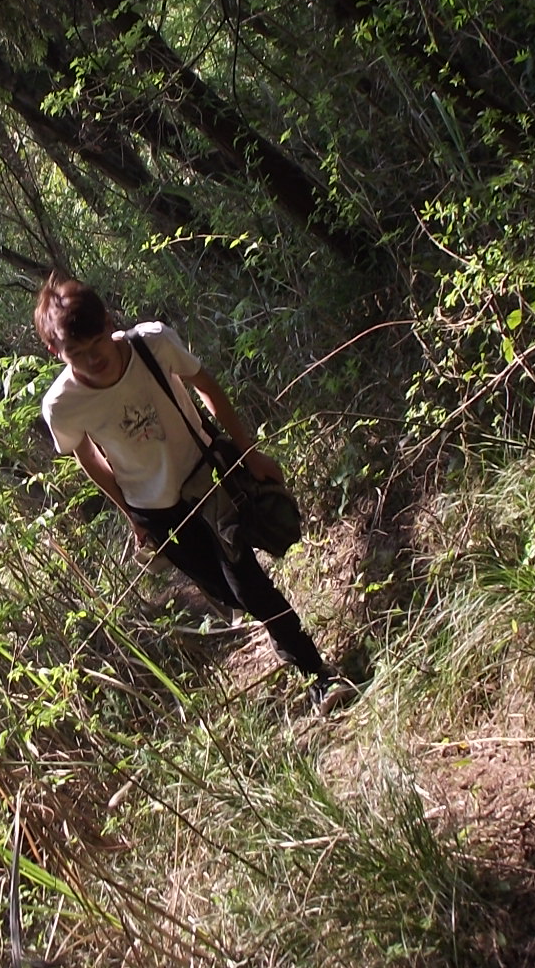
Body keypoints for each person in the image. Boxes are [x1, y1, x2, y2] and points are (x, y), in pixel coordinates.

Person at [35, 273, 351, 709]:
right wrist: (130, 514)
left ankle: (318, 675)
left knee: (248, 586)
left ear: (108, 321)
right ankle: (278, 635)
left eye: (97, 343)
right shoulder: (62, 405)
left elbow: (207, 386)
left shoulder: (152, 343)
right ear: (56, 352)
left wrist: (248, 453)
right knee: (224, 592)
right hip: (155, 510)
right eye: (78, 354)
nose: (93, 359)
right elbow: (85, 456)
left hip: (208, 478)